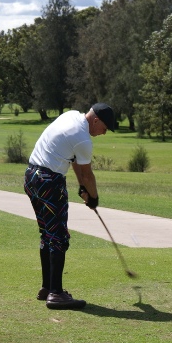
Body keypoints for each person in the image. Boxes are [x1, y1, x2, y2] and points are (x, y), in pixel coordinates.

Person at [24, 103, 115, 310]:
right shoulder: (84, 139)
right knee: (59, 237)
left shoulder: (71, 116)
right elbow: (87, 174)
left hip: (32, 176)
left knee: (47, 234)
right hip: (49, 181)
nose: (104, 133)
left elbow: (75, 162)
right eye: (105, 128)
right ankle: (56, 294)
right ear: (95, 120)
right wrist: (94, 198)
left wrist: (83, 187)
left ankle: (47, 287)